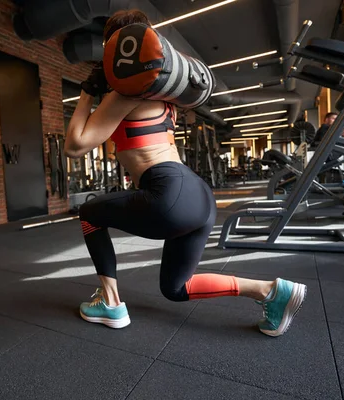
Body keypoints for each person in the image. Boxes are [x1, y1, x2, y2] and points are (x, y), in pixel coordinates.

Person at [64, 9, 306, 337]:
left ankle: (109, 302)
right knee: (176, 287)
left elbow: (75, 145)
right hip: (198, 196)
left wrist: (88, 91)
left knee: (90, 213)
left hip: (168, 193)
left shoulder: (127, 93)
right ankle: (271, 291)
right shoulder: (165, 98)